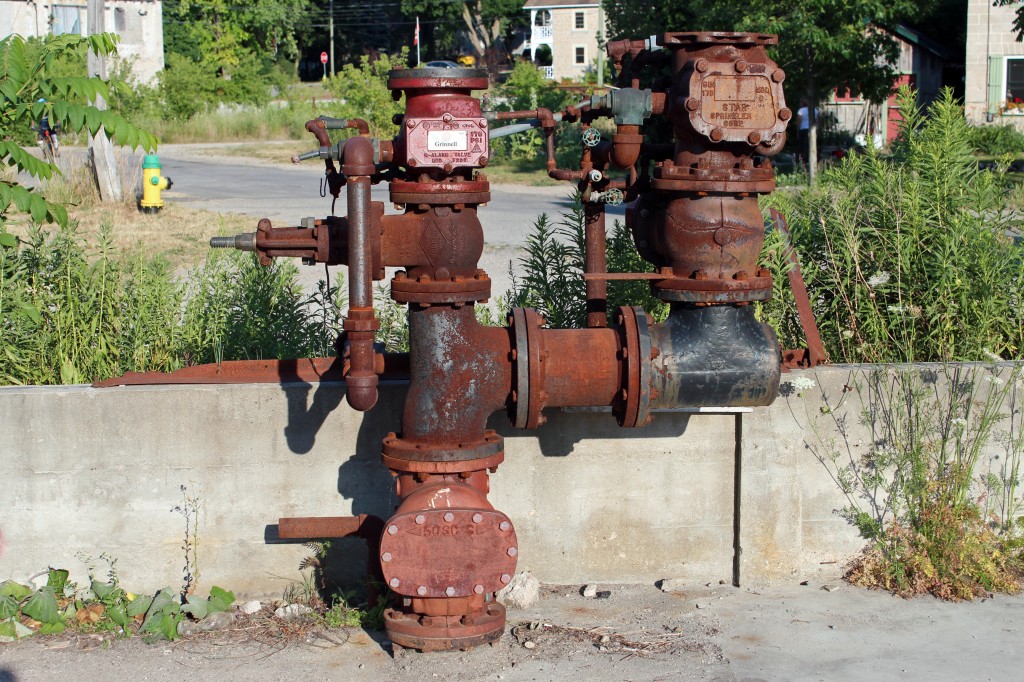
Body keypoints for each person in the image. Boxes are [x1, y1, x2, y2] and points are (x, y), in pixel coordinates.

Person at [796, 97, 811, 170]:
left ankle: (803, 162)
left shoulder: (801, 111)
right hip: (811, 130)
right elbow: (817, 122)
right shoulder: (814, 110)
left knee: (803, 147)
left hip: (803, 130)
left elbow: (799, 122)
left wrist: (797, 131)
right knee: (810, 146)